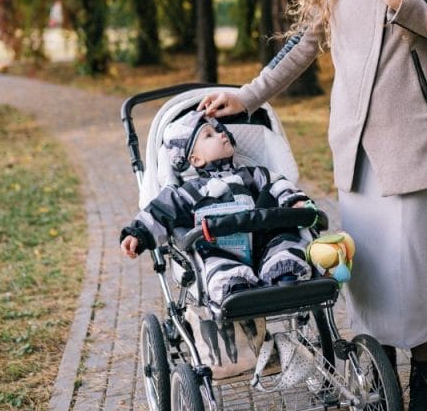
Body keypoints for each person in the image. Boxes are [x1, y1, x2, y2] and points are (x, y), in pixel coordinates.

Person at [198, 0, 427, 411]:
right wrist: (246, 96)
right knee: (364, 265)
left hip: (411, 136)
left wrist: (400, 3)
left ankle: (422, 377)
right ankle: (380, 375)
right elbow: (301, 46)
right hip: (355, 141)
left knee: (412, 265)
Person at [119, 110, 315, 305]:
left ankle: (285, 275)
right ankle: (237, 289)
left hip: (265, 241)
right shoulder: (191, 191)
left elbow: (280, 186)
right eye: (209, 135)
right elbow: (162, 211)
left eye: (219, 131)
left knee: (285, 244)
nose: (222, 134)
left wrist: (295, 202)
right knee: (218, 267)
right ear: (196, 159)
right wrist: (138, 233)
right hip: (222, 250)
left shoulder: (253, 174)